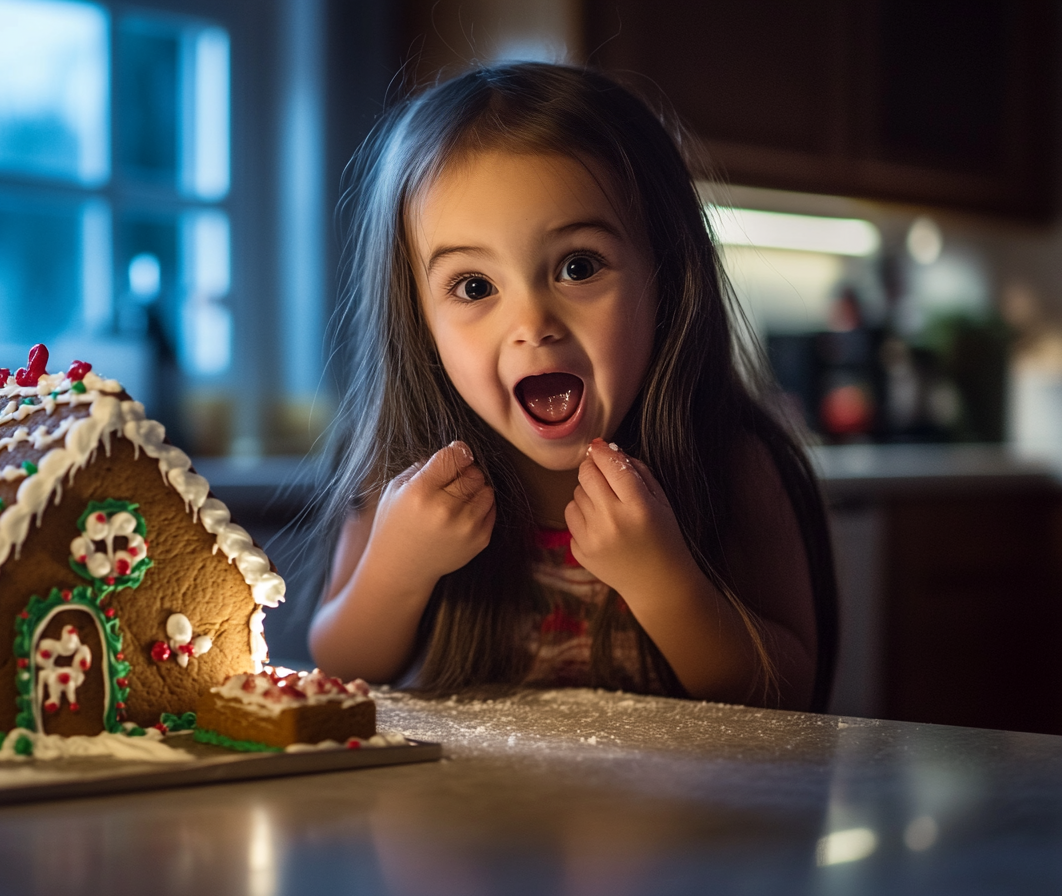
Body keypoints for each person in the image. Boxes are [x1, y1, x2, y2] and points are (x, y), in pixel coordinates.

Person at [307, 63, 837, 712]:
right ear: (419, 321)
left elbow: (790, 696)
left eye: (577, 267)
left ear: (665, 278)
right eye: (475, 286)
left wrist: (665, 582)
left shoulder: (734, 463)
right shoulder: (402, 468)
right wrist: (397, 568)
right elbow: (341, 664)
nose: (532, 325)